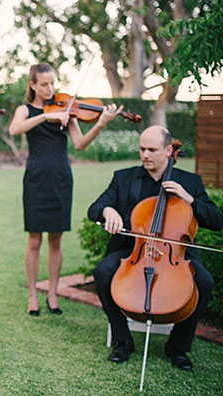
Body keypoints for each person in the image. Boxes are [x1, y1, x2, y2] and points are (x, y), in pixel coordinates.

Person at [88, 125, 223, 370]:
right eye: (142, 149)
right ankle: (123, 340)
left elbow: (216, 220)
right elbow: (95, 208)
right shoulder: (123, 177)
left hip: (175, 254)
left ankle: (178, 347)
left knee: (204, 282)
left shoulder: (189, 182)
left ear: (169, 150)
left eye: (152, 149)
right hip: (133, 250)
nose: (145, 155)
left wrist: (189, 199)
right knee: (103, 272)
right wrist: (108, 211)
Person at [8, 63, 121, 316]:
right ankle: (32, 295)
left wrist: (100, 124)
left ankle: (53, 294)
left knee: (56, 239)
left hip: (60, 177)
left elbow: (80, 144)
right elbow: (15, 129)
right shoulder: (25, 109)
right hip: (36, 178)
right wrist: (46, 116)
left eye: (52, 83)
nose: (50, 89)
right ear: (33, 85)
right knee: (35, 240)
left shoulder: (67, 108)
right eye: (44, 84)